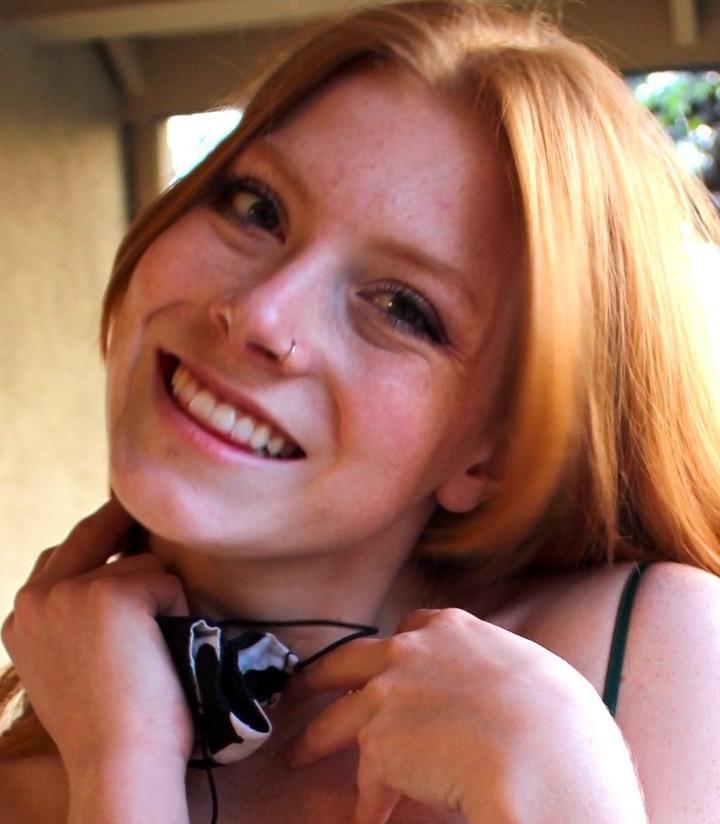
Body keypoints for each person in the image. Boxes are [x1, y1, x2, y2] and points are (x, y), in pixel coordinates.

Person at [2, 1, 720, 821]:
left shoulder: (653, 656)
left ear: (497, 455)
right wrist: (121, 766)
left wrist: (565, 792)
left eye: (403, 308)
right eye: (257, 208)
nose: (262, 314)